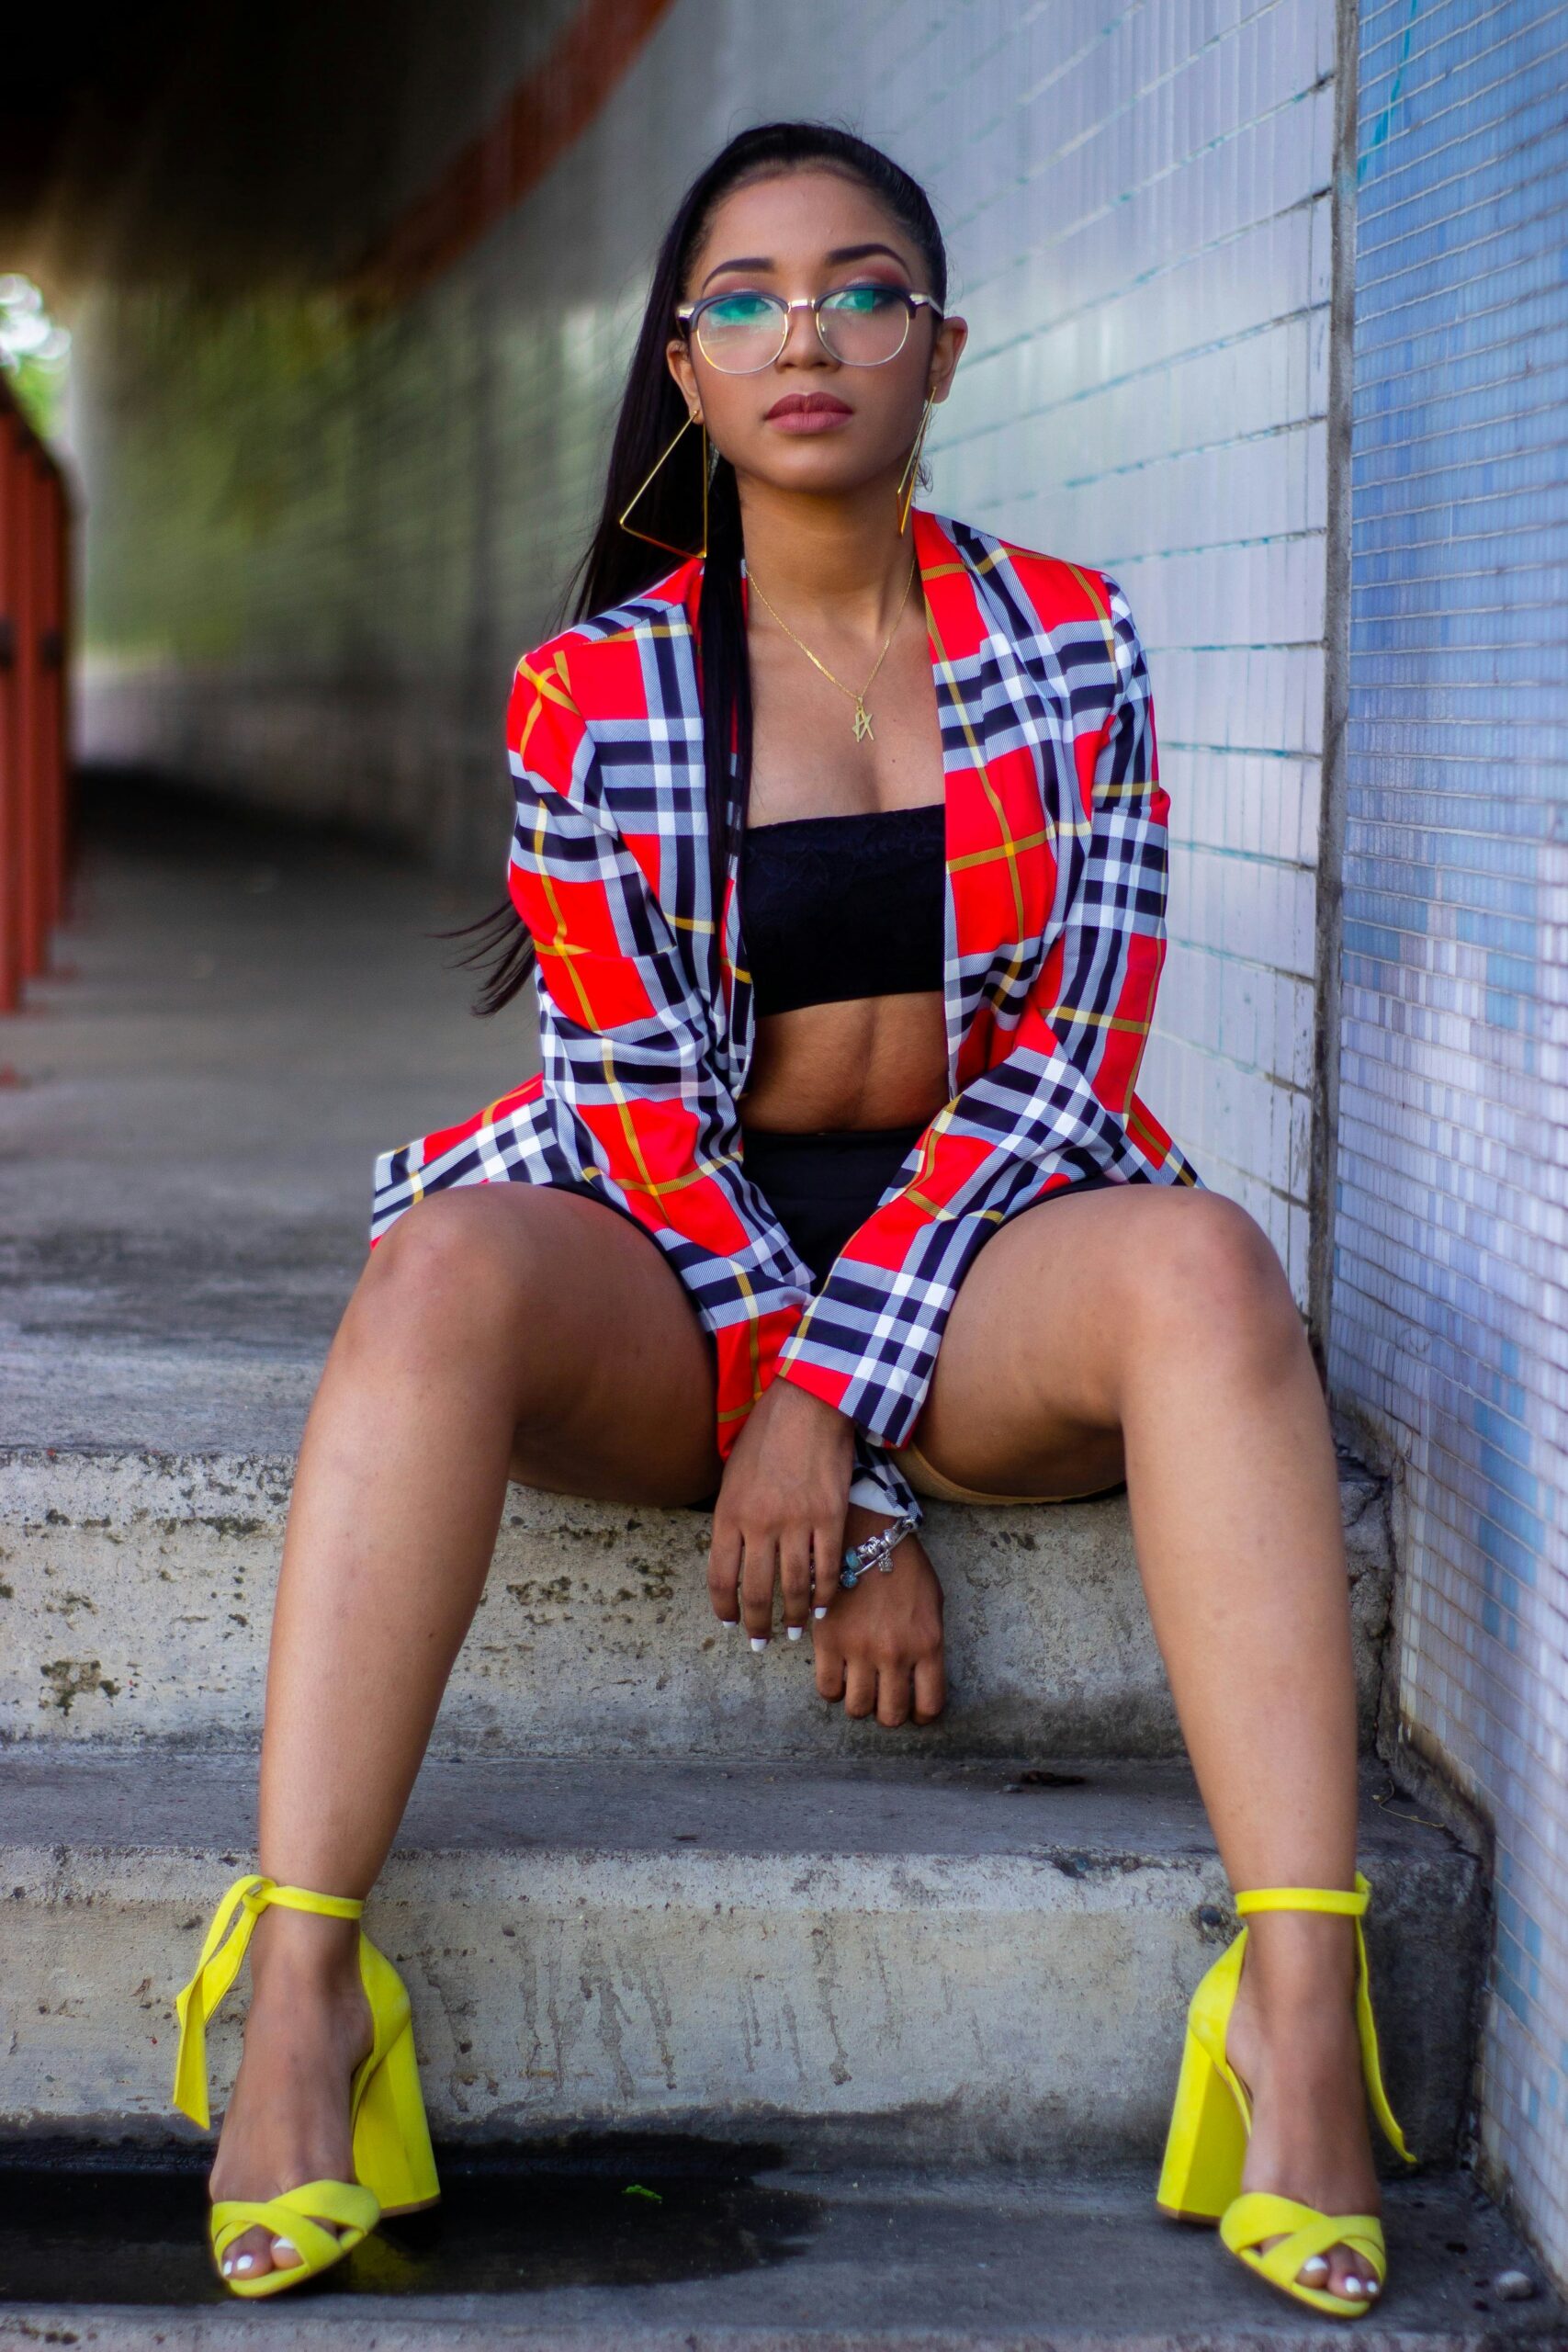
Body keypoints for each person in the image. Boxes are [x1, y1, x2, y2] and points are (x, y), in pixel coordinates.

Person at [169, 120, 1413, 2313]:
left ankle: (1296, 2012)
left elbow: (1069, 1063)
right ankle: (300, 1992)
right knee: (438, 1265)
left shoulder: (1074, 642)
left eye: (860, 291)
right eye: (742, 298)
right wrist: (806, 1446)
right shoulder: (595, 692)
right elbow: (636, 1108)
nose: (804, 333)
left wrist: (837, 1416)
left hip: (984, 1251)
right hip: (672, 1263)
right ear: (685, 364)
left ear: (941, 345)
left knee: (1208, 1262)